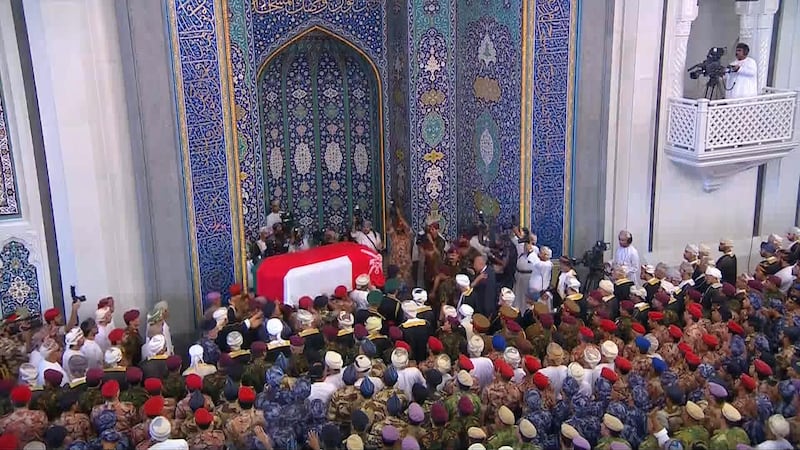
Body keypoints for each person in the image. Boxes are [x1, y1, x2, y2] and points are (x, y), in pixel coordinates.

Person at [387, 205, 413, 286]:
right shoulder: (394, 236)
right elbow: (388, 227)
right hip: (395, 264)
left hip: (405, 265)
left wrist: (399, 215)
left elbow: (407, 228)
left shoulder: (408, 236)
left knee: (406, 285)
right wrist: (389, 216)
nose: (400, 225)